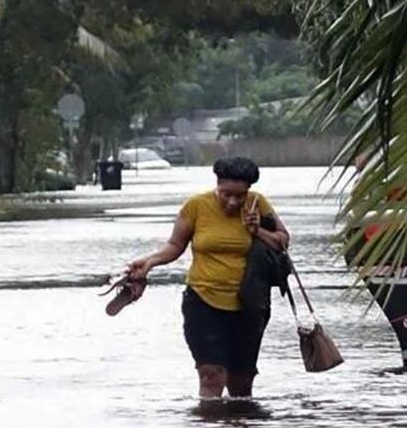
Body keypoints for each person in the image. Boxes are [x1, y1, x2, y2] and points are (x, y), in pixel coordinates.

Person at [125, 157, 291, 399]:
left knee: (241, 380)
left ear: (249, 192)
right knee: (211, 374)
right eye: (226, 194)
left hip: (249, 304)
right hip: (203, 300)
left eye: (240, 195)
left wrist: (258, 231)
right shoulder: (196, 206)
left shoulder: (258, 204)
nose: (233, 201)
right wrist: (149, 262)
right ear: (217, 185)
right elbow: (175, 245)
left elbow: (283, 242)